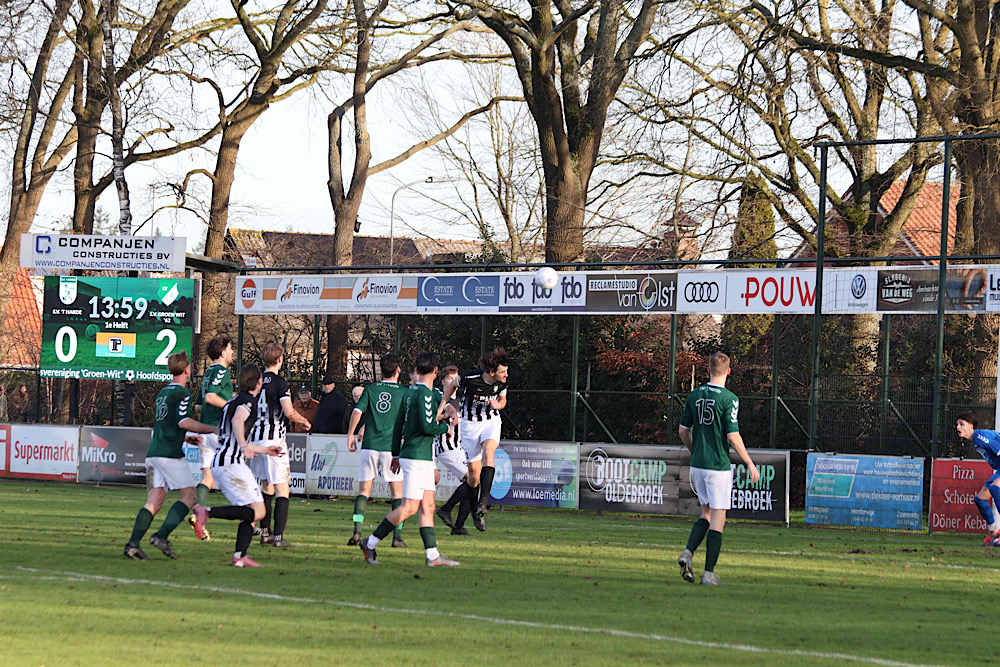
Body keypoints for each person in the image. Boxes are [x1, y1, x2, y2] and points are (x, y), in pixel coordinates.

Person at [360, 351, 459, 567]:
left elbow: (398, 425)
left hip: (419, 456)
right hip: (416, 457)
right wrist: (446, 428)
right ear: (435, 371)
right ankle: (370, 542)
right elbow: (427, 427)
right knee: (409, 508)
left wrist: (395, 453)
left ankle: (432, 556)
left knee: (428, 506)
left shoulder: (409, 392)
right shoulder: (423, 394)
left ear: (416, 369)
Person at [122, 350, 218, 560]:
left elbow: (166, 425)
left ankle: (132, 545)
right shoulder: (182, 393)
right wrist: (211, 428)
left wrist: (186, 439)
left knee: (154, 502)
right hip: (169, 455)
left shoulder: (162, 393)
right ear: (187, 370)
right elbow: (183, 422)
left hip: (154, 453)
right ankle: (161, 536)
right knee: (190, 497)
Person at [677, 352, 759, 586]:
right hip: (717, 466)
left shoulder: (695, 395)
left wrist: (694, 450)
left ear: (708, 369)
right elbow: (732, 435)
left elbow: (683, 430)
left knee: (706, 513)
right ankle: (709, 574)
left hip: (698, 466)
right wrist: (749, 462)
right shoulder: (729, 398)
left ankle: (688, 552)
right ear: (729, 371)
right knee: (718, 519)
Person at [192, 364, 284, 567]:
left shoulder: (232, 401)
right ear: (258, 382)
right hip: (231, 463)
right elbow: (237, 420)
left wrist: (265, 450)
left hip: (225, 461)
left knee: (253, 512)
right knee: (257, 512)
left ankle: (239, 556)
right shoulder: (247, 400)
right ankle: (205, 512)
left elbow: (234, 432)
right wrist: (243, 446)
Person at [437, 347, 509, 532]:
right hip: (470, 426)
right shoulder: (470, 378)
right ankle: (460, 512)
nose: (506, 375)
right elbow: (452, 386)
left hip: (491, 421)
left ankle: (482, 504)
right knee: (473, 478)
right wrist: (441, 407)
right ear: (491, 372)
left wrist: (498, 405)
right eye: (503, 372)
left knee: (489, 453)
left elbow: (503, 400)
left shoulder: (502, 383)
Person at [247, 342, 310, 547]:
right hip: (274, 441)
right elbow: (289, 411)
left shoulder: (255, 381)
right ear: (280, 359)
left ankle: (265, 533)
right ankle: (278, 538)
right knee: (283, 489)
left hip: (256, 439)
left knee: (266, 486)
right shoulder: (281, 383)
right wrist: (304, 420)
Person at [346, 354, 408, 548]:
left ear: (381, 370)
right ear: (398, 370)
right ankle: (397, 537)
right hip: (392, 449)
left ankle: (357, 531)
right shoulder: (404, 392)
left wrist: (351, 434)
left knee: (364, 491)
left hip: (370, 446)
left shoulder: (371, 389)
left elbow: (357, 411)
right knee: (397, 494)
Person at [188, 334, 235, 541]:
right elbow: (210, 398)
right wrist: (231, 405)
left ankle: (198, 515)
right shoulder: (222, 371)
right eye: (231, 349)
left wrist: (229, 398)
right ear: (223, 353)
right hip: (219, 431)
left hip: (205, 431)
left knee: (207, 479)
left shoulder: (207, 373)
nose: (232, 352)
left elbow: (199, 406)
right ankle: (251, 521)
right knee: (237, 476)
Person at [433, 366, 472, 535]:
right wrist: (446, 416)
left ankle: (458, 526)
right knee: (472, 479)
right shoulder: (438, 398)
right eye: (449, 378)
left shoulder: (462, 400)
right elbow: (432, 418)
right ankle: (446, 509)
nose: (453, 382)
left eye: (455, 378)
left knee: (472, 484)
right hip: (447, 447)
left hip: (461, 448)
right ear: (442, 381)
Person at [955, 412, 1000, 545]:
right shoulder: (976, 441)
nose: (958, 427)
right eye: (957, 424)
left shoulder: (981, 437)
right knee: (980, 499)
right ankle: (994, 532)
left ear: (971, 426)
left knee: (995, 488)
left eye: (962, 424)